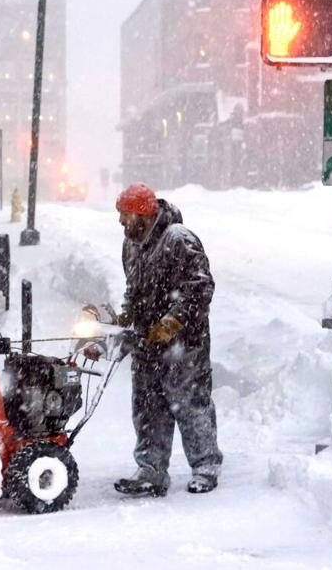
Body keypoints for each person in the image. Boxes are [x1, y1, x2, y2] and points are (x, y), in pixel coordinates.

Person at [112, 183, 222, 497]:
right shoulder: (131, 245)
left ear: (143, 213)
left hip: (184, 344)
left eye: (125, 214)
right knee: (148, 407)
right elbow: (133, 288)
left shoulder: (179, 239)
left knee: (190, 403)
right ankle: (151, 470)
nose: (121, 221)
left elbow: (200, 289)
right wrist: (127, 315)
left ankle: (205, 467)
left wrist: (171, 324)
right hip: (146, 341)